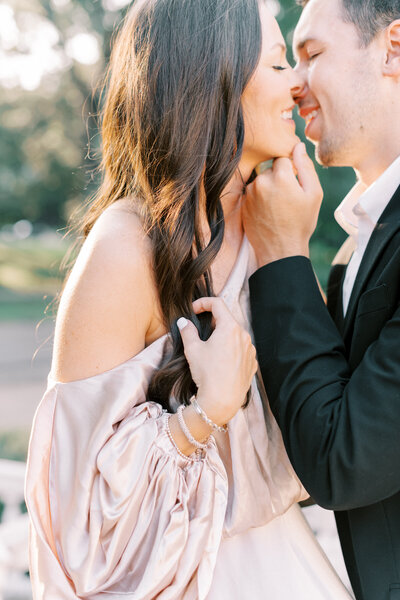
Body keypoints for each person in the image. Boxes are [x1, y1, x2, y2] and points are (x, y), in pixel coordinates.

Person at [25, 1, 353, 599]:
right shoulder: (130, 248)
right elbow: (77, 517)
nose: (298, 83)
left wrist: (290, 252)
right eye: (280, 63)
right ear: (215, 77)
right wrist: (208, 413)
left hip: (287, 565)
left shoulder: (272, 230)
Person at [242, 0, 400, 599]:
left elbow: (342, 460)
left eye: (311, 55)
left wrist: (282, 252)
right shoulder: (353, 249)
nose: (293, 83)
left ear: (392, 48)